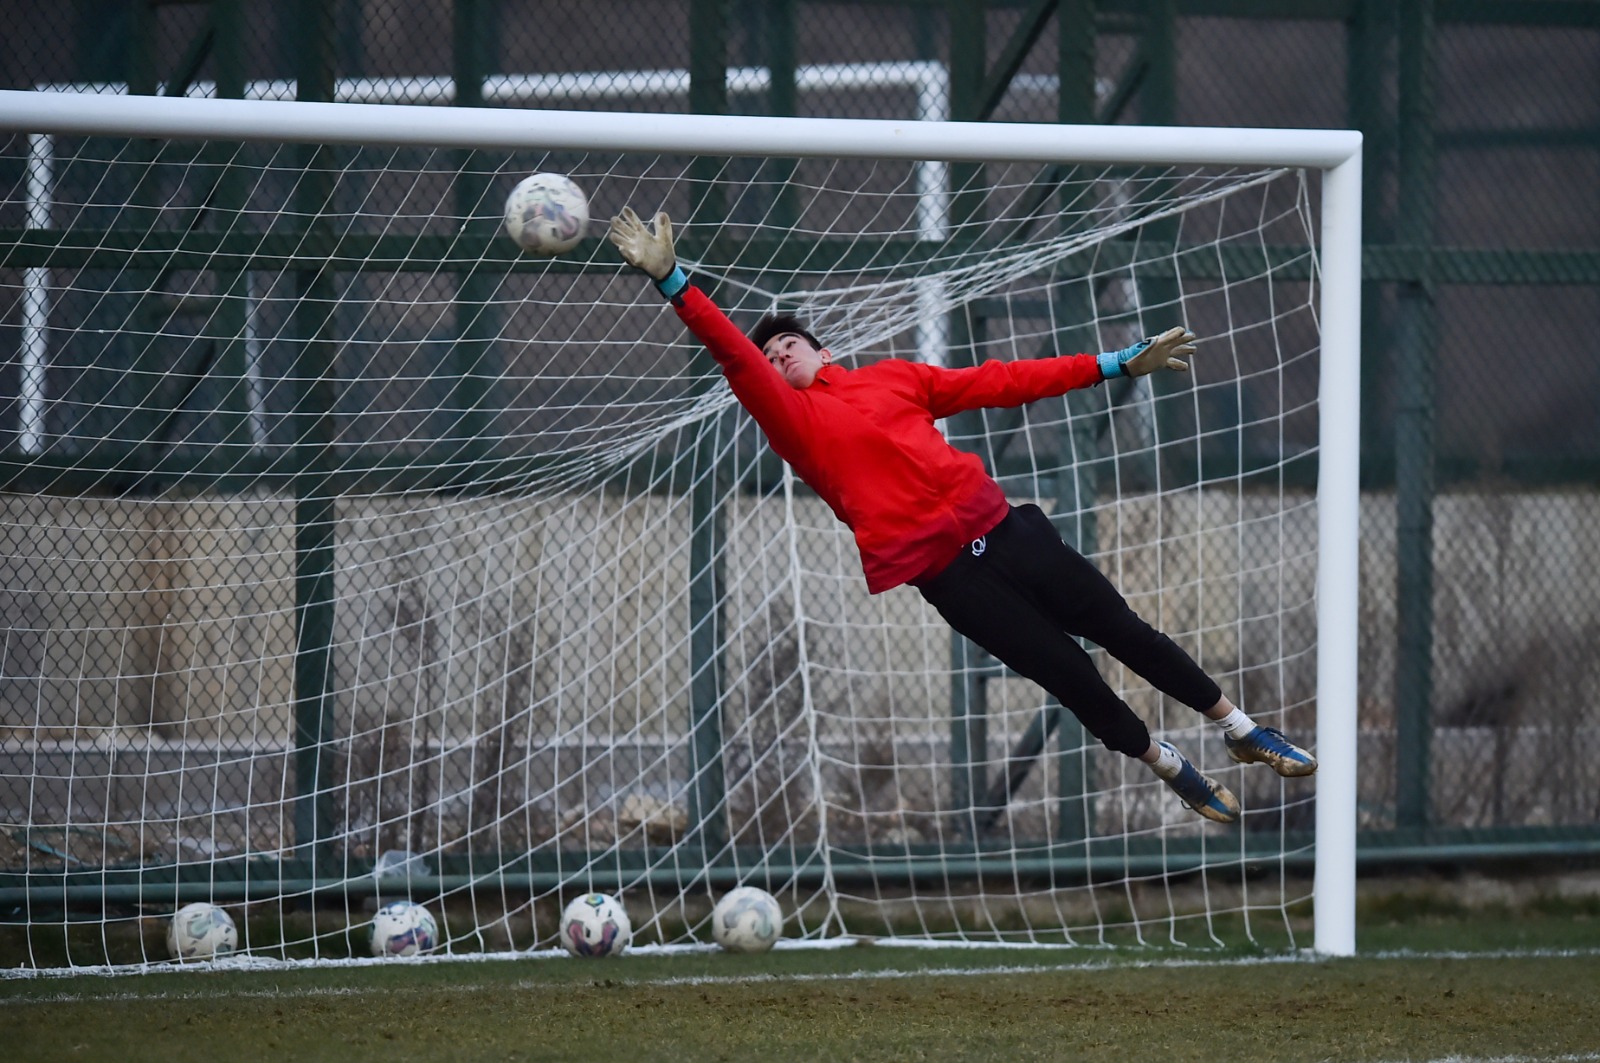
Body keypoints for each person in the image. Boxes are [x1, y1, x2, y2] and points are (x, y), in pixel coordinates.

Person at [607, 207, 1316, 824]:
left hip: (1009, 529)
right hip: (951, 577)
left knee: (1124, 629)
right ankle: (1168, 765)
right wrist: (677, 284)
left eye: (787, 343)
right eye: (769, 354)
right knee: (1071, 676)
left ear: (824, 350)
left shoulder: (894, 377)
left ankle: (1241, 727)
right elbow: (735, 357)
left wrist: (1114, 364)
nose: (775, 354)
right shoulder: (792, 420)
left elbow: (1003, 381)